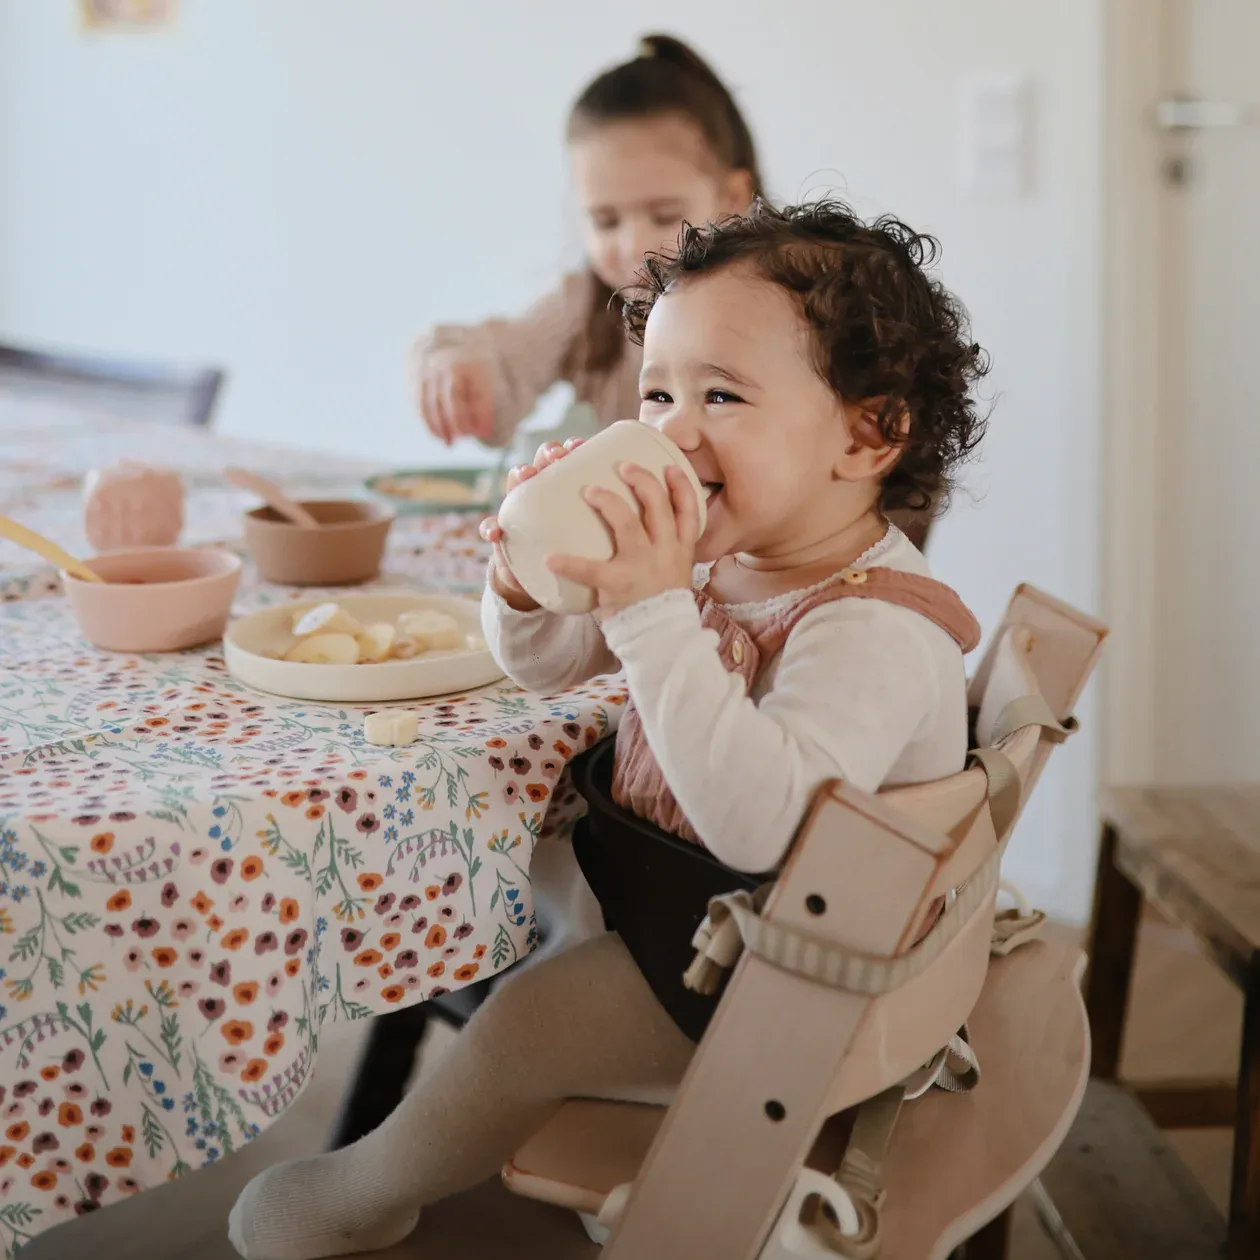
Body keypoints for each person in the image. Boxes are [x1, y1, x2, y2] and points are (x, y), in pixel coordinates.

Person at [229, 198, 989, 1260]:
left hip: (782, 976)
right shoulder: (740, 550)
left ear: (870, 432)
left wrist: (648, 608)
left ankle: (367, 1190)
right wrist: (529, 583)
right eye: (659, 392)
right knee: (479, 852)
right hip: (679, 902)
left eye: (721, 395)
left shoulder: (872, 627)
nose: (673, 430)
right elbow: (542, 666)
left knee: (526, 1024)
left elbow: (761, 827)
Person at [411, 34, 761, 449]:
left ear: (733, 199)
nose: (634, 244)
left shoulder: (775, 306)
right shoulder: (585, 307)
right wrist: (453, 365)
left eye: (664, 216)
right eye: (606, 221)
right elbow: (504, 353)